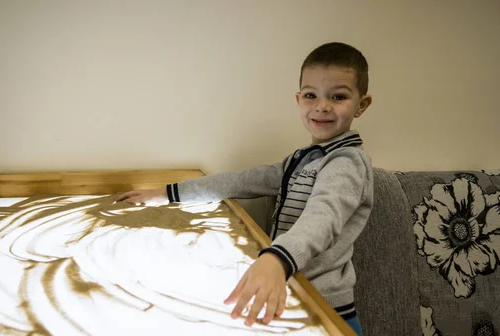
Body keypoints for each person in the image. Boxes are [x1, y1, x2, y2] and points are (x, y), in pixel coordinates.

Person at [116, 41, 374, 335]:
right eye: (311, 95)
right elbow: (242, 181)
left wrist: (276, 260)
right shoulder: (301, 160)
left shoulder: (347, 163)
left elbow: (322, 218)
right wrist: (167, 193)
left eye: (338, 96)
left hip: (328, 309)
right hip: (293, 292)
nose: (322, 106)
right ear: (298, 99)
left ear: (361, 105)